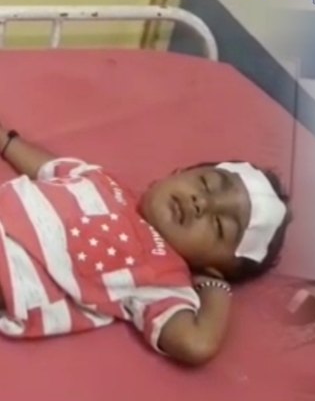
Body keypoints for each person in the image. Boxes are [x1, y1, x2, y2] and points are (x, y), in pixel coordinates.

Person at [0, 123, 290, 366]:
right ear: (176, 173)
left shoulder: (165, 279)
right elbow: (49, 167)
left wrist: (215, 287)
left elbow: (196, 344)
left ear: (215, 266)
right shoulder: (103, 179)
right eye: (206, 184)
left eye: (219, 227)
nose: (201, 203)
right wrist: (7, 142)